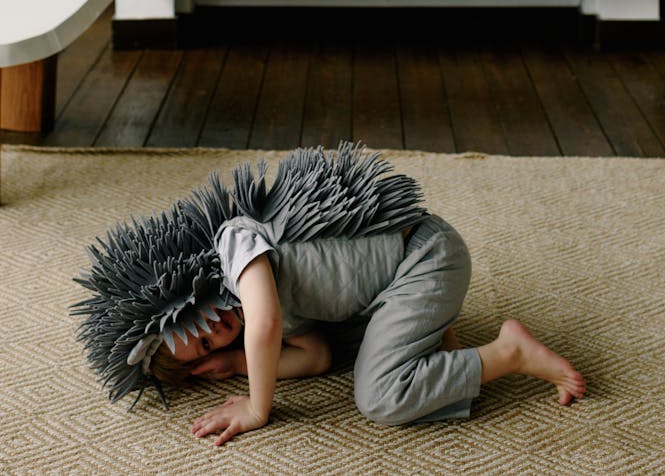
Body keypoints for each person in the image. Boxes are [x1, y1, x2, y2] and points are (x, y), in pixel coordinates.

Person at [72, 143, 585, 445]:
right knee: (354, 355)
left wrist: (257, 407)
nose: (212, 334)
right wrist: (236, 366)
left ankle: (509, 351)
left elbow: (267, 325)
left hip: (426, 256)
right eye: (204, 348)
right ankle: (436, 337)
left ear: (179, 296)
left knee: (380, 398)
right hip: (394, 285)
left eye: (195, 328)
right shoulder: (258, 325)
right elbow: (315, 357)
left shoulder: (232, 244)